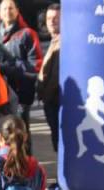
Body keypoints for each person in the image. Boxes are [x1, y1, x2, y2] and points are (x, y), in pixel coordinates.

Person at [0, 0, 41, 153]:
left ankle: (26, 162)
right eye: (4, 9)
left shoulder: (27, 34)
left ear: (17, 11)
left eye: (11, 8)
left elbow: (35, 67)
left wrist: (4, 68)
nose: (8, 12)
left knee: (20, 132)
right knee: (3, 133)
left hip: (20, 94)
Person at [36, 3, 59, 152]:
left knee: (60, 141)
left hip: (57, 101)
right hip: (51, 101)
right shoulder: (54, 40)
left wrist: (47, 95)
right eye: (49, 18)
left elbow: (56, 76)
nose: (51, 21)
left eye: (56, 18)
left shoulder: (65, 41)